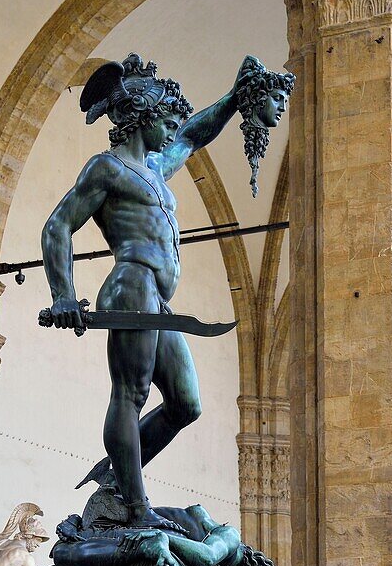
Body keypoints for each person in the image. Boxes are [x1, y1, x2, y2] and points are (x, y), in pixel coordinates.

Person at [41, 53, 291, 529]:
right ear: (143, 118)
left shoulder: (154, 169)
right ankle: (136, 509)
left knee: (185, 404)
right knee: (130, 393)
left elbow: (195, 135)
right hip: (131, 283)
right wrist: (63, 296)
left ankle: (117, 476)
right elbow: (58, 226)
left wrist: (237, 99)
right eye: (166, 121)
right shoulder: (107, 170)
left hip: (158, 295)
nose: (172, 130)